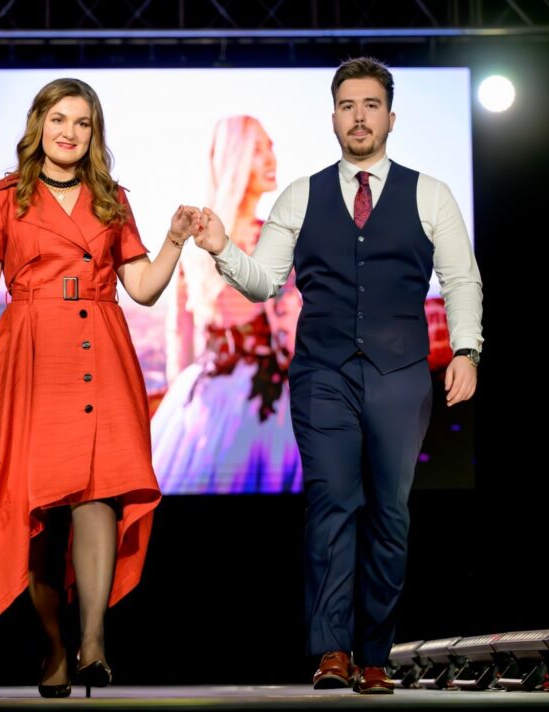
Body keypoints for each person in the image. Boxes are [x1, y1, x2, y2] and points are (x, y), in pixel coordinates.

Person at [194, 57, 483, 694]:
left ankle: (375, 656)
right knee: (332, 501)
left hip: (400, 372)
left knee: (390, 513)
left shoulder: (430, 194)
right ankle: (332, 651)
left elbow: (461, 279)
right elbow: (265, 282)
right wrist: (222, 247)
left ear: (390, 117)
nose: (359, 117)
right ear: (332, 117)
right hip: (322, 372)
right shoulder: (301, 195)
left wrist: (466, 350)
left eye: (371, 105)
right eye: (348, 105)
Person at [0, 77, 200, 698]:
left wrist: (174, 239)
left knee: (100, 495)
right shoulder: (3, 198)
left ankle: (93, 641)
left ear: (94, 133)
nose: (70, 132)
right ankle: (56, 646)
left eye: (82, 123)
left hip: (102, 351)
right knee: (35, 507)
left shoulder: (112, 199)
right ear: (39, 124)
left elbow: (142, 289)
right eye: (59, 119)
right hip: (31, 355)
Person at [152, 115, 301, 493]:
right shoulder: (271, 239)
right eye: (258, 149)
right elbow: (181, 335)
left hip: (218, 399)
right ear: (236, 158)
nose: (271, 157)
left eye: (271, 147)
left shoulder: (200, 242)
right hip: (249, 405)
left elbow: (182, 344)